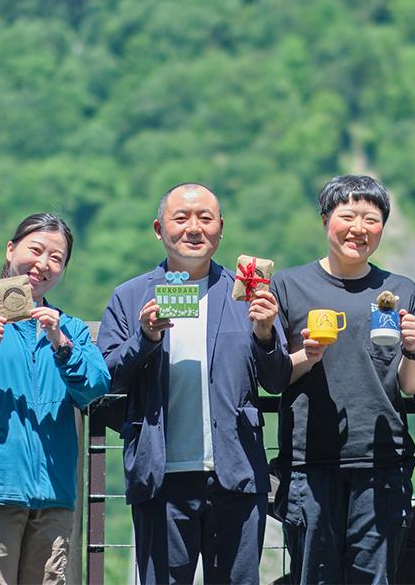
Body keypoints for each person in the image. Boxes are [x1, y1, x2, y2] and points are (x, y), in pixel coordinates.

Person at [96, 183, 292, 585]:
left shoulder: (248, 293)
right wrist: (145, 338)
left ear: (221, 229)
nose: (193, 228)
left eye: (205, 218)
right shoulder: (131, 297)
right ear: (158, 228)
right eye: (181, 218)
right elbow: (105, 378)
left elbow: (277, 380)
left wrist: (266, 333)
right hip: (161, 475)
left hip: (234, 472)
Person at [0, 213, 111, 584]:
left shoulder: (68, 327)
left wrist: (60, 344)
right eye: (36, 249)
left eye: (56, 258)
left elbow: (94, 386)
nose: (43, 264)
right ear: (11, 250)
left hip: (54, 495)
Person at [269, 175, 415, 584]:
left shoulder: (399, 290)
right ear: (326, 221)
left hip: (382, 460)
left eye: (371, 219)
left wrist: (412, 349)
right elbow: (272, 376)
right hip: (308, 461)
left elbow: (412, 384)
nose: (359, 228)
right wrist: (308, 354)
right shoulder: (289, 285)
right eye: (348, 215)